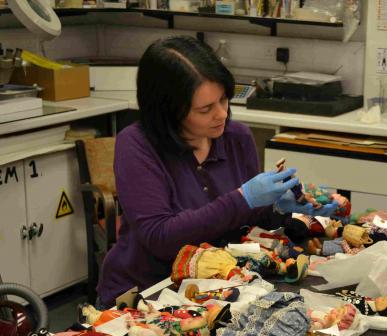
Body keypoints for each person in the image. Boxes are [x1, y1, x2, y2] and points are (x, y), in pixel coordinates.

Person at [97, 36, 336, 307]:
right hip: (149, 293)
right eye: (205, 109)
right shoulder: (138, 145)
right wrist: (242, 197)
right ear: (168, 111)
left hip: (220, 288)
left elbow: (247, 223)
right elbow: (160, 238)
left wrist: (279, 208)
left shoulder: (237, 137)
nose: (222, 114)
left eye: (224, 100)